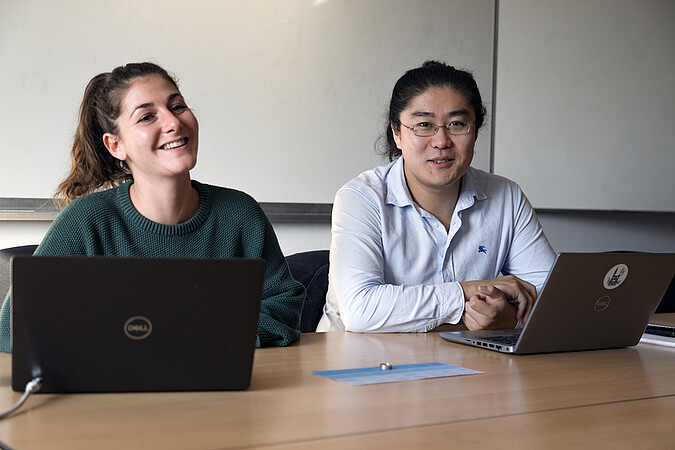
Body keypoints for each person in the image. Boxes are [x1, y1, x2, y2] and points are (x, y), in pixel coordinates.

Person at [0, 62, 305, 352]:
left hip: (221, 390)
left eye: (177, 107)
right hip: (112, 396)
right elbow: (13, 330)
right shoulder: (85, 221)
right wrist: (130, 347)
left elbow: (282, 306)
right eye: (147, 117)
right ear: (115, 145)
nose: (173, 123)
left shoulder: (240, 214)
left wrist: (197, 342)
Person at [317, 61, 556, 333]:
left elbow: (551, 296)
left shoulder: (506, 197)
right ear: (397, 133)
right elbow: (362, 310)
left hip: (464, 361)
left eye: (457, 124)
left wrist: (507, 317)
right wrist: (466, 292)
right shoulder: (361, 198)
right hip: (356, 362)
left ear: (475, 131)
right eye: (424, 125)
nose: (441, 141)